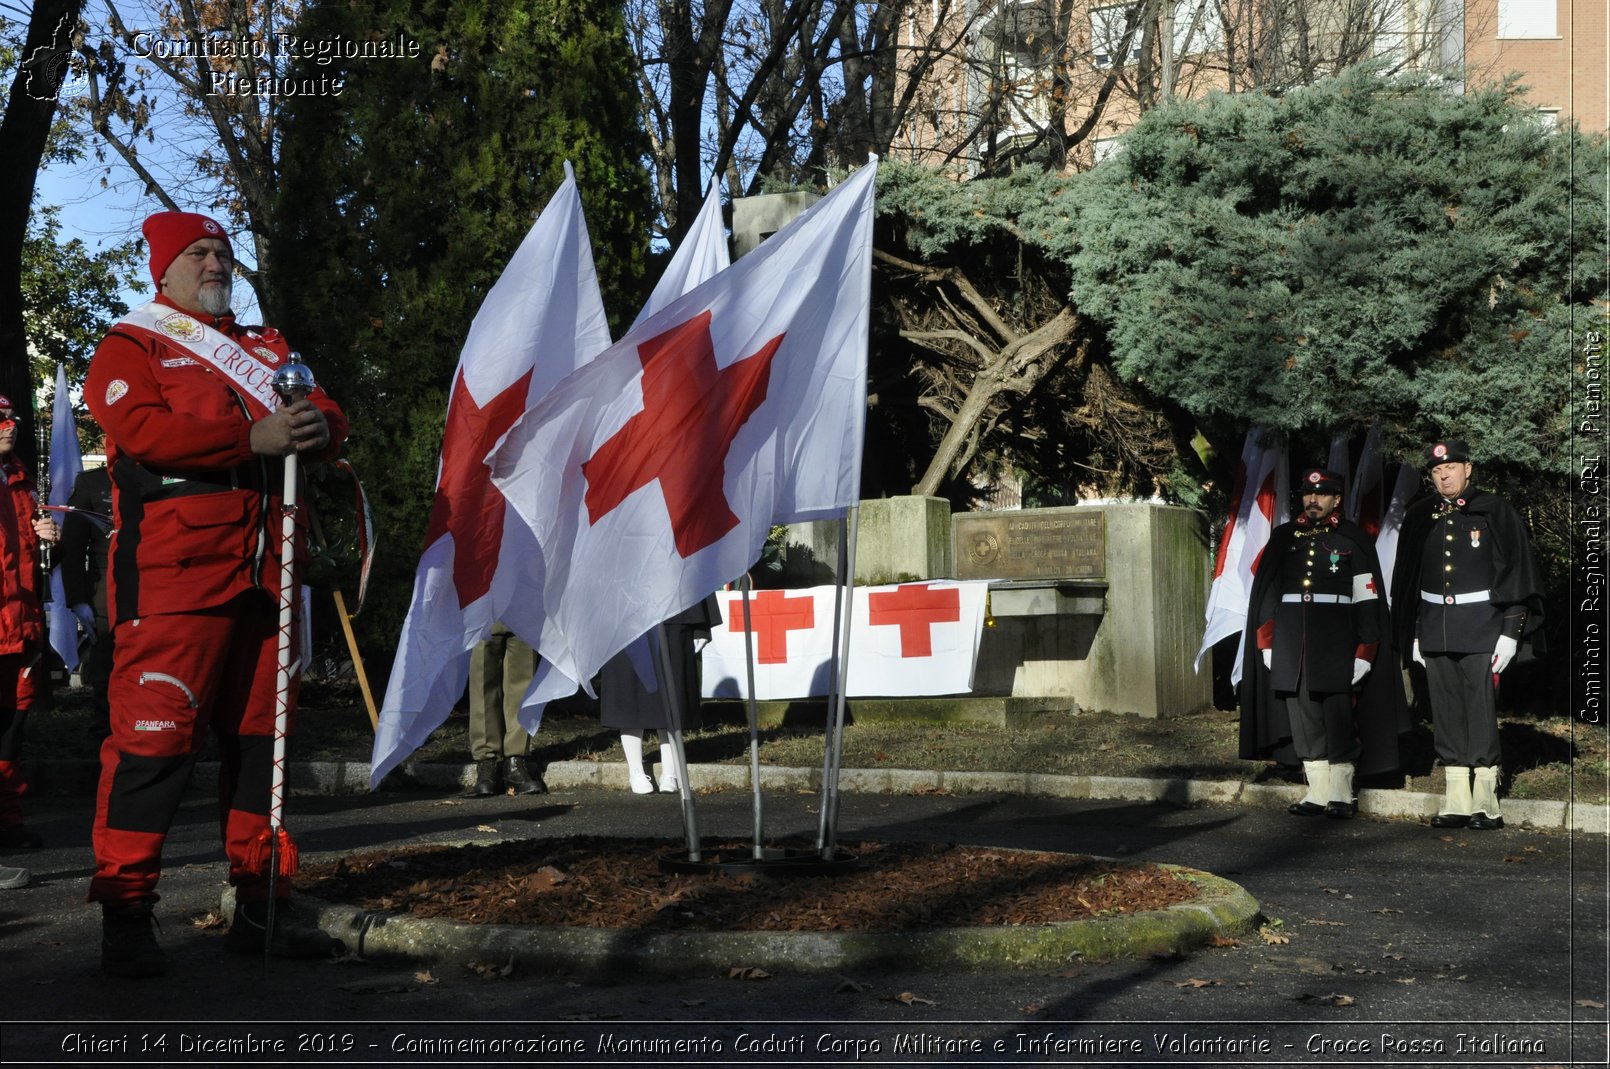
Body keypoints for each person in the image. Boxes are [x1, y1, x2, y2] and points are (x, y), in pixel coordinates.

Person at [84, 210, 349, 977]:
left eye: (221, 252)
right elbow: (140, 430)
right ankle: (126, 914)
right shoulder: (132, 344)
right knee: (152, 746)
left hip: (269, 575)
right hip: (176, 580)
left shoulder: (267, 348)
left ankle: (262, 900)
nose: (213, 262)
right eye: (197, 253)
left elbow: (328, 412)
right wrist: (251, 440)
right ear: (162, 273)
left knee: (262, 746)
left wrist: (318, 430)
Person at [1391, 439, 1545, 831]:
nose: (1444, 475)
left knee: (1480, 709)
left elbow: (1516, 575)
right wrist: (1412, 634)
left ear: (1468, 469)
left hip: (1482, 628)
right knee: (1443, 710)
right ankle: (1457, 797)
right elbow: (1408, 583)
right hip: (1435, 629)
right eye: (1437, 471)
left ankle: (1486, 799)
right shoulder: (1420, 515)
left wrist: (1511, 632)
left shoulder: (1495, 510)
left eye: (1451, 468)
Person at [1240, 467, 1406, 819]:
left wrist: (1365, 649)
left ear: (1336, 500)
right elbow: (1268, 593)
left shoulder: (1351, 538)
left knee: (1338, 717)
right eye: (1307, 495)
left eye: (1321, 495)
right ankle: (1316, 791)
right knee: (1303, 717)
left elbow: (1366, 594)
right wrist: (1266, 643)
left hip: (1335, 643)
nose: (1313, 500)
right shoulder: (1285, 537)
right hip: (1290, 643)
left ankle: (1342, 793)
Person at [0, 395, 60, 864]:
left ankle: (9, 819)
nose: (9, 426)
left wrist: (48, 540)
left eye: (12, 418)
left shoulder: (21, 478)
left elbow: (33, 562)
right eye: (0, 420)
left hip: (23, 623)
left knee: (14, 725)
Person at [601, 597, 721, 793]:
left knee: (673, 697)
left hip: (675, 613)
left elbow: (696, 569)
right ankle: (636, 771)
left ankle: (670, 772)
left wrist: (701, 626)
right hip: (625, 615)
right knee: (629, 695)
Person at [59, 464, 113, 739]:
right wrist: (77, 600)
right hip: (106, 592)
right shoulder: (93, 482)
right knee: (106, 671)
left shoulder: (163, 475)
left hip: (161, 589)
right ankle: (106, 738)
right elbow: (73, 548)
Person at [467, 622, 543, 796]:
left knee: (522, 678)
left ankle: (515, 761)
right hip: (484, 602)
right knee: (483, 678)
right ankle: (486, 762)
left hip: (523, 603)